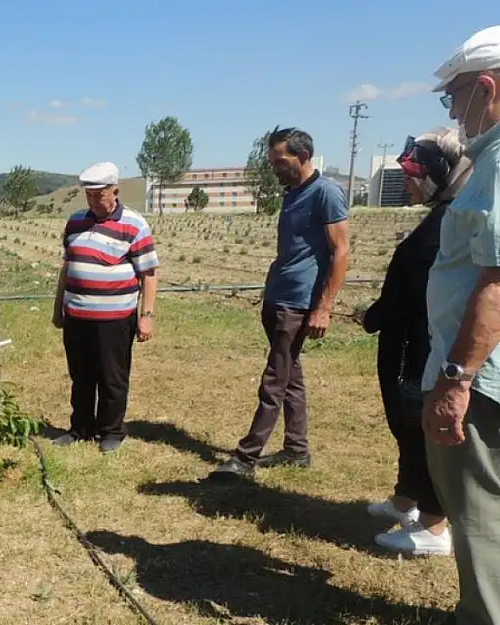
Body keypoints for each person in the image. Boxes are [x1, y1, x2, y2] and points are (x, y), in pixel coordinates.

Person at [210, 127, 351, 480]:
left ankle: (246, 458)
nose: (274, 167)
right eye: (272, 161)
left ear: (303, 156)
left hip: (299, 302)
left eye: (280, 161)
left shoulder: (326, 193)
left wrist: (324, 307)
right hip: (278, 296)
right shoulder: (292, 193)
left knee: (275, 378)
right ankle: (297, 449)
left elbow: (341, 251)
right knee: (291, 376)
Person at [362, 129, 472, 556]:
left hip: (419, 344)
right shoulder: (443, 213)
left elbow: (414, 290)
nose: (406, 181)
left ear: (438, 174)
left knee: (416, 423)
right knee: (403, 424)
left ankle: (432, 525)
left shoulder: (450, 221)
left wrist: (374, 315)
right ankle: (405, 500)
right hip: (405, 340)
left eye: (413, 173)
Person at [423, 25, 500, 625]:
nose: (451, 109)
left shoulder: (498, 164)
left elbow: (495, 280)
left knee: (478, 511)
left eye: (452, 96)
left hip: (481, 379)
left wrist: (456, 377)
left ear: (486, 88)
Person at [51, 161, 159, 454]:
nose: (93, 201)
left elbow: (149, 273)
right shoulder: (75, 221)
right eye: (89, 196)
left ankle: (111, 431)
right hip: (77, 315)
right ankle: (80, 428)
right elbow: (67, 266)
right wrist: (58, 305)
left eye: (99, 195)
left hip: (115, 318)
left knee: (112, 377)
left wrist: (146, 316)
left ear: (115, 192)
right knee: (81, 376)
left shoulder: (134, 224)